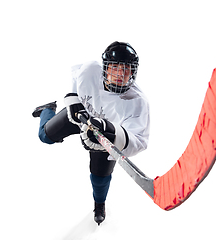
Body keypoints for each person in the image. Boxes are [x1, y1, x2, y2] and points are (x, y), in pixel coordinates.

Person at [32, 41, 150, 225]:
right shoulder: (91, 69)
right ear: (105, 68)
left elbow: (139, 141)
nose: (120, 73)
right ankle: (47, 109)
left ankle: (99, 205)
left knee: (99, 178)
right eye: (115, 67)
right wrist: (73, 102)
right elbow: (75, 79)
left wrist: (113, 135)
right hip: (80, 116)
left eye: (126, 69)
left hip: (103, 137)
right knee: (44, 136)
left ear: (133, 72)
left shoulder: (137, 102)